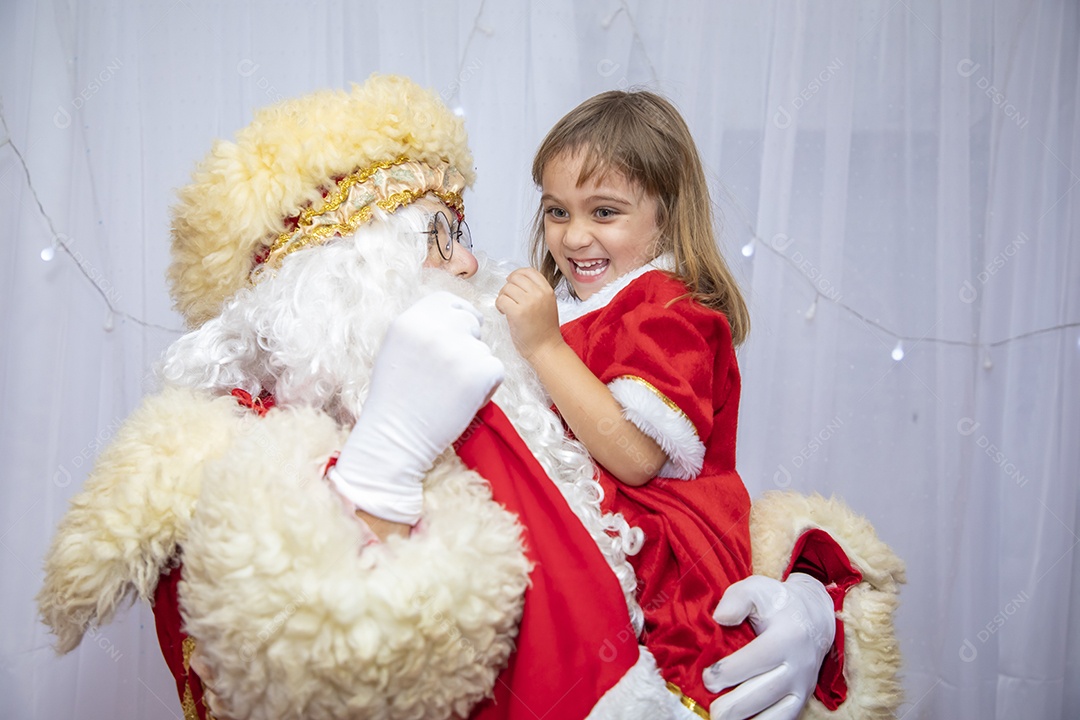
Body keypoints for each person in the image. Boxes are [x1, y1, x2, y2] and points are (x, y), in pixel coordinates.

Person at [36, 75, 906, 720]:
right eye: (437, 236)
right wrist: (383, 459)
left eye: (465, 232)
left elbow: (658, 501)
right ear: (341, 273)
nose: (467, 263)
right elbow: (269, 660)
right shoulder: (246, 445)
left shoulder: (535, 358)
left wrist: (803, 602)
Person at [496, 88, 761, 708]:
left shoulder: (669, 311)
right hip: (596, 543)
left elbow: (638, 457)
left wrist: (542, 347)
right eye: (557, 211)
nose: (575, 235)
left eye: (605, 212)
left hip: (671, 569)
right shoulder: (576, 308)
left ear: (665, 216)